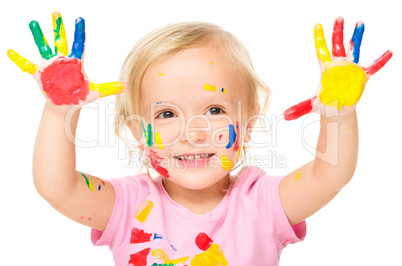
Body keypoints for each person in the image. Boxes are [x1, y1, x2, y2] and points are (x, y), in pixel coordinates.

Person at [7, 12, 392, 266]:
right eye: (167, 114)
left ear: (251, 123)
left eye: (214, 110)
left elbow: (330, 175)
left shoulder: (262, 204)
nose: (193, 133)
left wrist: (338, 111)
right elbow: (56, 187)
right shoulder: (127, 206)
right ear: (137, 133)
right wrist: (60, 110)